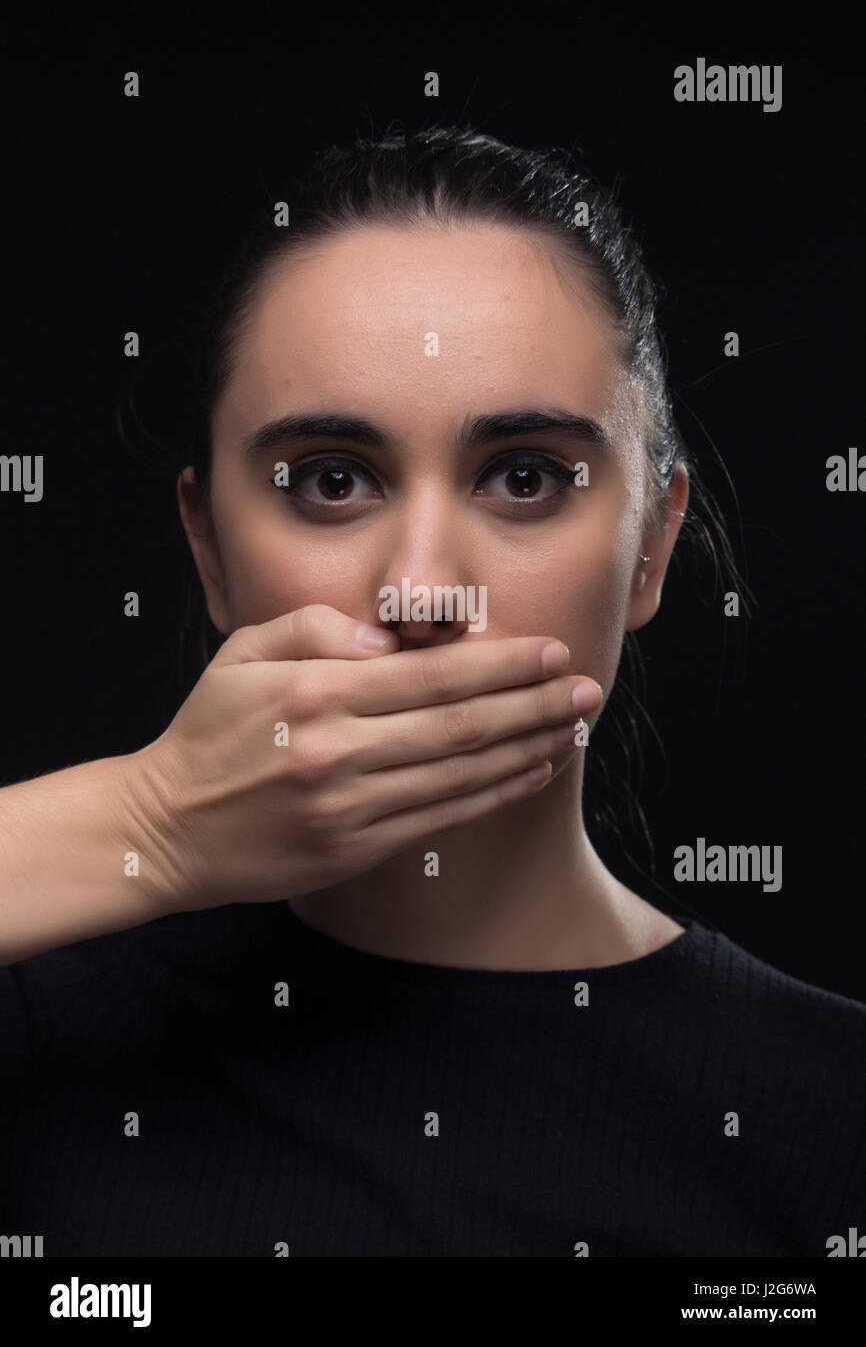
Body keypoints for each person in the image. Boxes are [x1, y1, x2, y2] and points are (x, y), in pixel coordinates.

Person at [1, 125, 863, 1258]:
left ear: (651, 546)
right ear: (208, 548)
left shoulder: (827, 1115)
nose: (422, 593)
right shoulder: (41, 1035)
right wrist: (147, 826)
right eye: (330, 481)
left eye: (522, 478)